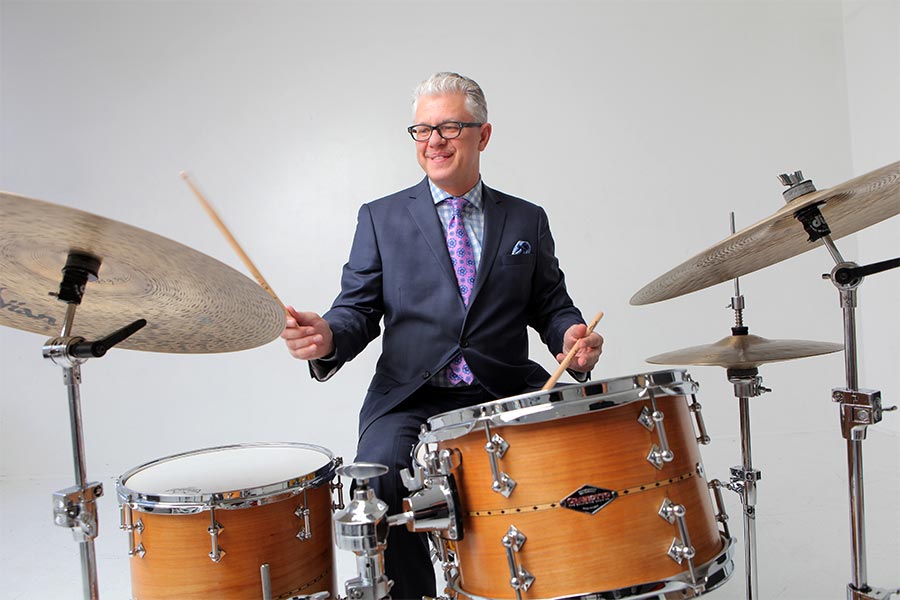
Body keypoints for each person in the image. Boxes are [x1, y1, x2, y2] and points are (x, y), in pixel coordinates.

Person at [282, 72, 603, 599]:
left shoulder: (526, 219)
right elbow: (356, 310)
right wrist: (329, 339)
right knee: (382, 475)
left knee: (577, 455)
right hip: (412, 392)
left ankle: (549, 584)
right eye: (422, 129)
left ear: (484, 134)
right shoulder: (380, 218)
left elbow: (550, 302)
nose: (434, 141)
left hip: (506, 386)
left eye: (450, 127)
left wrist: (570, 334)